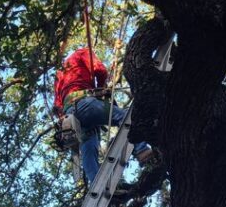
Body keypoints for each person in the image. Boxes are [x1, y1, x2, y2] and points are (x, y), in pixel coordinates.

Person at [53, 46, 153, 185]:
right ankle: (142, 149)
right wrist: (101, 89)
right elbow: (100, 70)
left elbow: (57, 106)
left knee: (89, 152)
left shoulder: (59, 74)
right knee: (126, 117)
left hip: (71, 117)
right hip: (85, 104)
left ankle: (97, 185)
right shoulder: (82, 52)